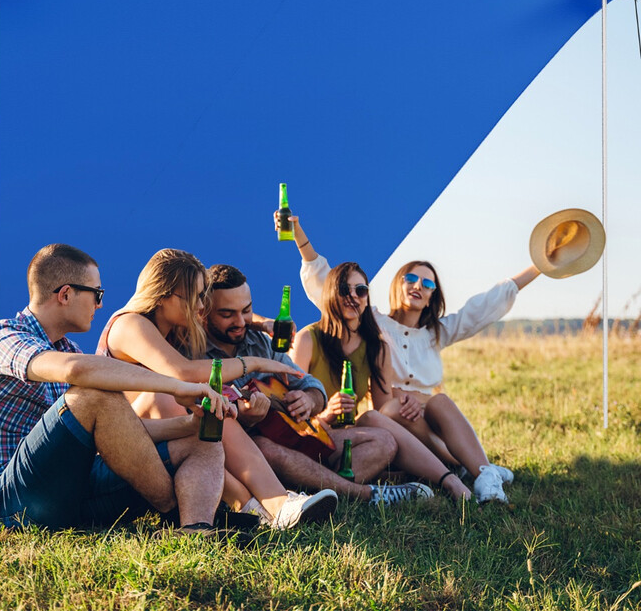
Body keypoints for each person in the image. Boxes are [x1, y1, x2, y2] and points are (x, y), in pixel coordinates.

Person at [0, 243, 231, 535]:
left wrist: (188, 424)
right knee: (94, 392)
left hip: (63, 490)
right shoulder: (4, 339)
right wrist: (178, 387)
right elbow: (77, 371)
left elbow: (118, 431)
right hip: (1, 504)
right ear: (66, 294)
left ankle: (196, 528)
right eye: (97, 294)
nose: (100, 305)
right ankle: (172, 509)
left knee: (202, 438)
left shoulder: (67, 348)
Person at [283, 213, 540, 504]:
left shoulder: (433, 333)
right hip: (388, 416)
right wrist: (299, 237)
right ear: (398, 284)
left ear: (433, 295)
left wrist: (538, 267)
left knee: (437, 402)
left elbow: (480, 310)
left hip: (428, 421)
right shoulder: (376, 325)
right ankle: (461, 470)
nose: (419, 286)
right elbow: (325, 280)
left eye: (428, 284)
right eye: (412, 278)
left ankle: (479, 472)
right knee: (384, 414)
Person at [97, 248, 338, 528]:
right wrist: (254, 362)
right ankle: (277, 502)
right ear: (163, 295)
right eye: (197, 296)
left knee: (209, 408)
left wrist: (260, 322)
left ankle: (261, 510)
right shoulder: (130, 324)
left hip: (147, 437)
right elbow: (182, 372)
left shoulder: (172, 326)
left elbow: (222, 314)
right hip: (114, 447)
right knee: (170, 396)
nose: (203, 305)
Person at [204, 263, 450, 504]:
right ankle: (364, 493)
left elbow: (309, 383)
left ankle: (310, 484)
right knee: (264, 448)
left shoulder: (260, 341)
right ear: (203, 311)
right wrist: (247, 418)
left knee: (384, 441)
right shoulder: (196, 353)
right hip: (256, 451)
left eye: (246, 311)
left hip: (302, 435)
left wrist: (310, 399)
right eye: (227, 314)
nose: (241, 321)